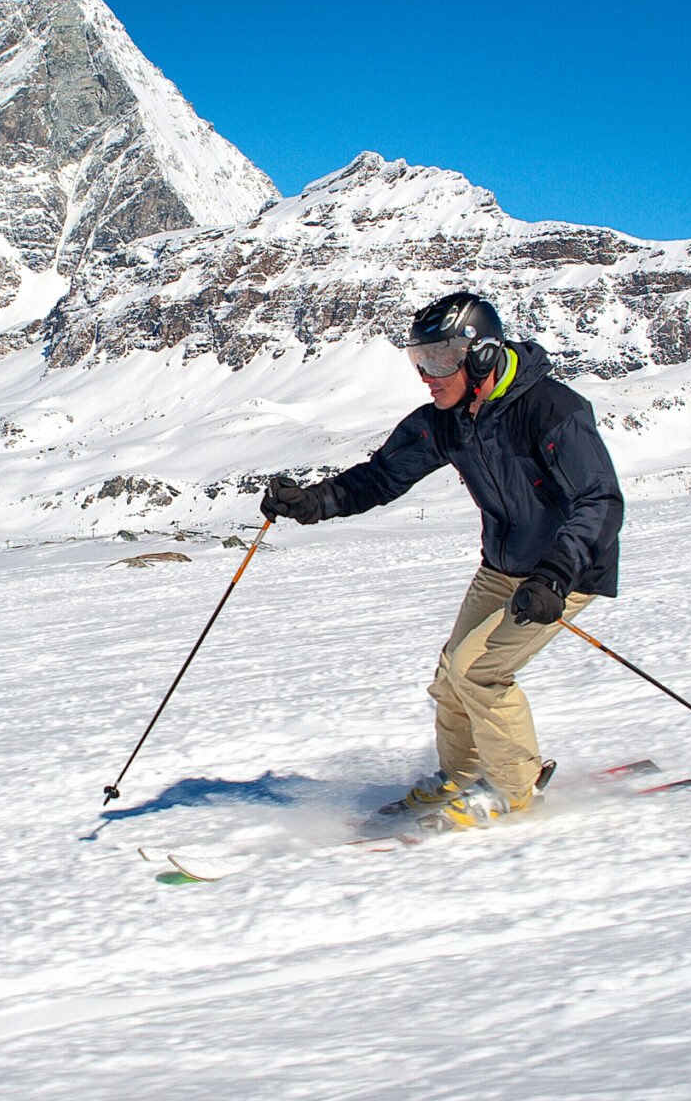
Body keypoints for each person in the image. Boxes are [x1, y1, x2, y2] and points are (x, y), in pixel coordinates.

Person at [259, 293, 623, 830]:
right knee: (451, 673)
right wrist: (314, 503)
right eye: (418, 361)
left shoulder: (551, 410)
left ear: (479, 357)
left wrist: (554, 577)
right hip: (503, 567)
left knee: (478, 671)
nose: (426, 376)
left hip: (566, 569)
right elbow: (381, 476)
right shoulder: (447, 420)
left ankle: (513, 787)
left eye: (437, 360)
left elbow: (601, 500)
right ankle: (462, 773)